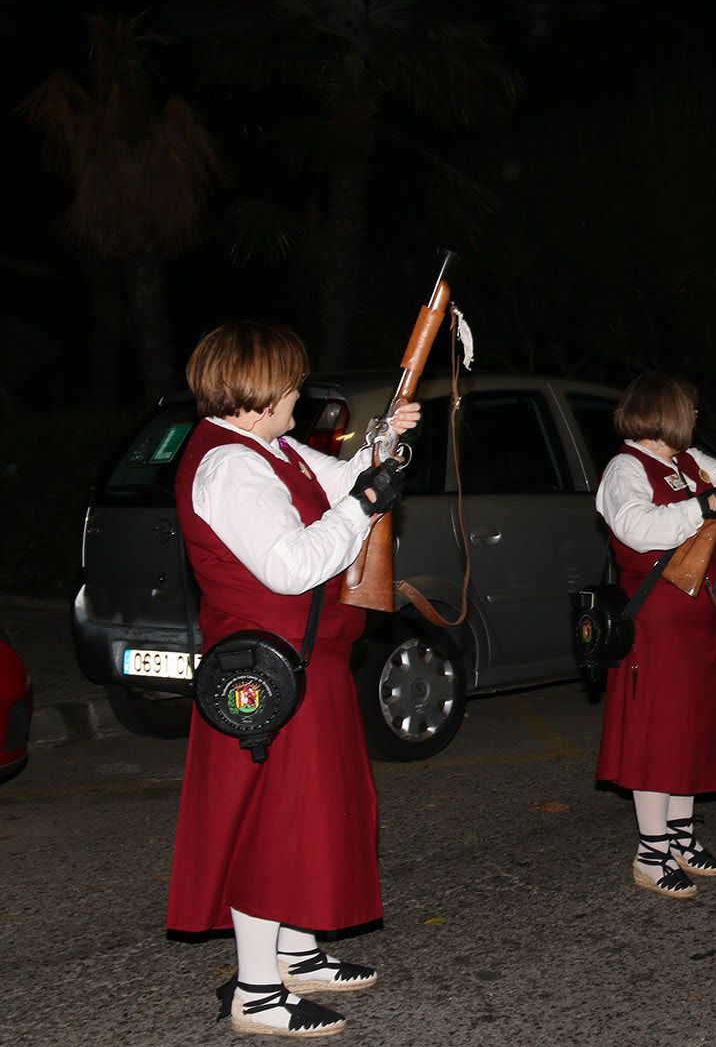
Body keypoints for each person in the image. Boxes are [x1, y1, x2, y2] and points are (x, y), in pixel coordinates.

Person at [168, 321, 420, 1038]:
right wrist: (366, 506)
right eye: (291, 384)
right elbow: (292, 564)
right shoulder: (232, 465)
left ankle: (294, 953)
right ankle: (256, 991)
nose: (300, 395)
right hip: (271, 673)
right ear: (258, 391)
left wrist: (382, 440)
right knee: (271, 825)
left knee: (304, 817)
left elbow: (336, 478)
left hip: (304, 663)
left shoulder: (265, 448)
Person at [594, 373, 716, 899]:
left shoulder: (687, 459)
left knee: (690, 732)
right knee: (660, 737)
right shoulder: (625, 467)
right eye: (689, 410)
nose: (695, 418)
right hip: (658, 620)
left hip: (699, 614)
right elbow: (636, 526)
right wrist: (703, 507)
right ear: (665, 412)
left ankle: (680, 836)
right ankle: (650, 853)